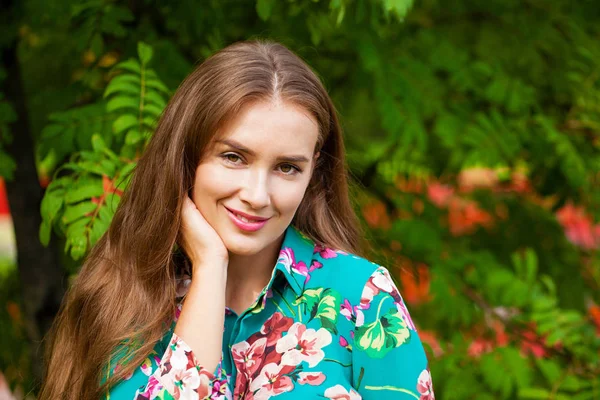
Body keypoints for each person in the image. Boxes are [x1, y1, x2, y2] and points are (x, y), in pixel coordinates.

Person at [40, 40, 434, 400]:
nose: (257, 195)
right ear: (186, 156)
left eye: (286, 168)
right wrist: (210, 268)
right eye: (234, 157)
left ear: (314, 170)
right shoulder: (123, 298)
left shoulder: (363, 299)